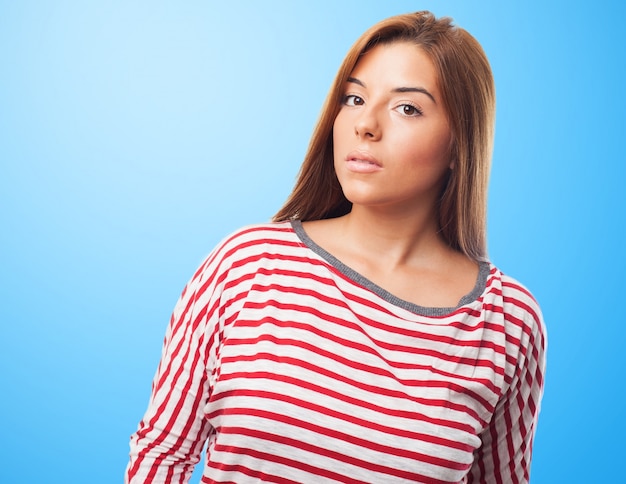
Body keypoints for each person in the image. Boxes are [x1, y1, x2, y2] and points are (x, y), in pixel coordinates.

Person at [125, 10, 546, 484]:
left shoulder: (506, 323)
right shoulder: (245, 265)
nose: (365, 124)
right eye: (354, 98)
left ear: (458, 144)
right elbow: (162, 454)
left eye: (407, 108)